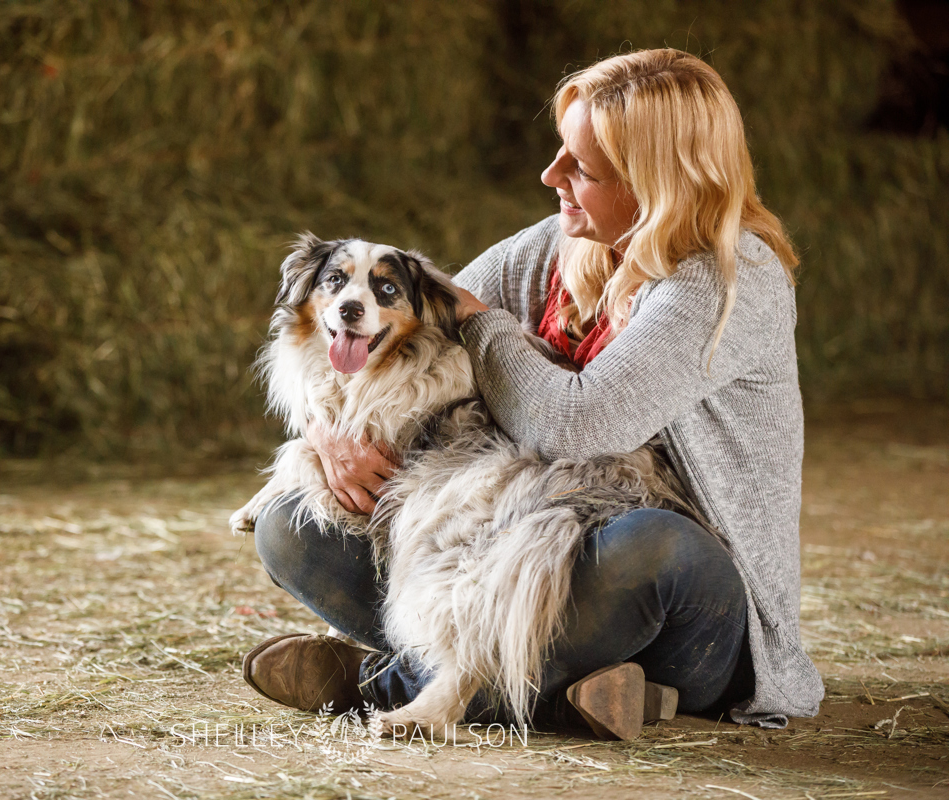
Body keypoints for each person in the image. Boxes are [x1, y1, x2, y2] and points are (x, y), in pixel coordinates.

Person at [241, 48, 823, 736]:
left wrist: (482, 325)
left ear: (654, 181)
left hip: (679, 606)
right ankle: (587, 695)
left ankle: (380, 682)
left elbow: (578, 424)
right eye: (560, 152)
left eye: (583, 167)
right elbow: (410, 326)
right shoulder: (557, 245)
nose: (550, 175)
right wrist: (324, 432)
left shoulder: (728, 280)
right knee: (292, 527)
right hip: (510, 561)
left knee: (650, 547)